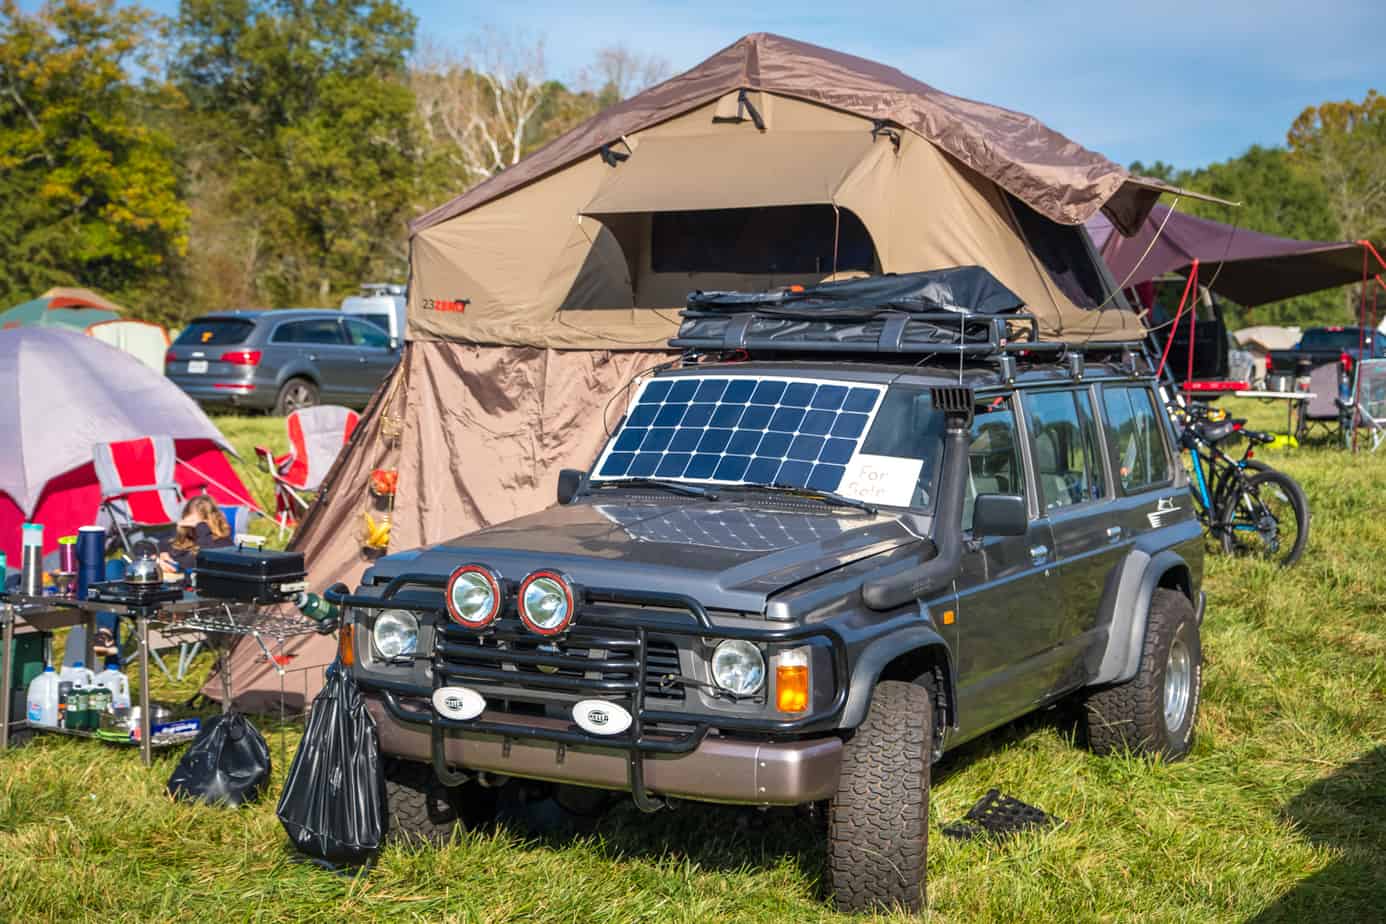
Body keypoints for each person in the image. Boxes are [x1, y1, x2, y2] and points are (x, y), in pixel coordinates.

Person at [158, 495, 233, 577]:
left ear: (210, 523)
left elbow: (197, 562)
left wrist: (201, 528)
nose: (191, 530)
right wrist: (159, 557)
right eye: (187, 525)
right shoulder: (185, 538)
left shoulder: (224, 544)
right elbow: (155, 544)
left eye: (195, 526)